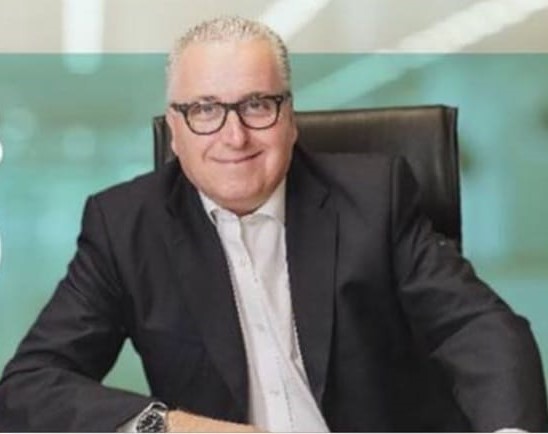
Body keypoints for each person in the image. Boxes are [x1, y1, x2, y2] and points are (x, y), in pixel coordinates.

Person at [0, 16, 546, 433]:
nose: (234, 136)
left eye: (257, 105)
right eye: (205, 110)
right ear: (175, 129)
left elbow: (476, 327)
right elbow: (28, 385)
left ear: (289, 117)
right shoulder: (125, 226)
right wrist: (173, 426)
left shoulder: (375, 197)